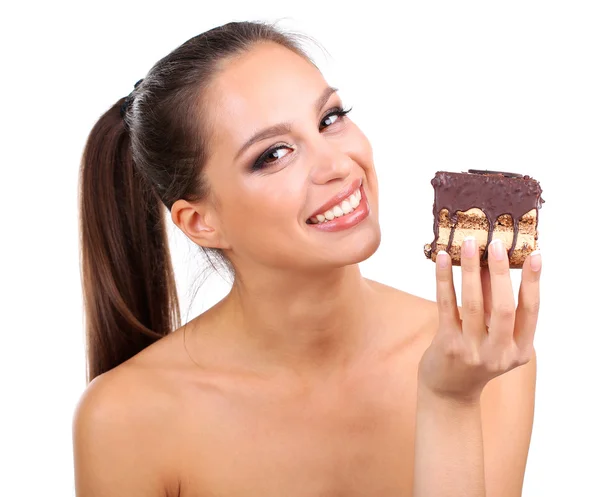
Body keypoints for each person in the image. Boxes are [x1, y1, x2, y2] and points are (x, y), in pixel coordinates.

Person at [73, 20, 541, 497]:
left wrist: (452, 401)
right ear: (200, 222)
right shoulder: (126, 418)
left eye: (330, 119)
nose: (339, 165)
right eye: (274, 154)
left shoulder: (482, 358)